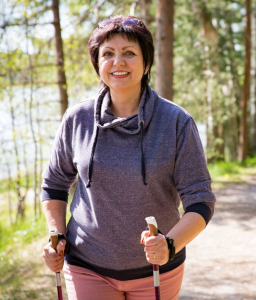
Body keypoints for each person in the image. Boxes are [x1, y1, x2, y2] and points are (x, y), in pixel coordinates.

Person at [41, 15, 216, 300]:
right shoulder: (78, 118)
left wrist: (170, 245)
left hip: (157, 269)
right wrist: (56, 235)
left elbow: (201, 200)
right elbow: (55, 184)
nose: (118, 62)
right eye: (108, 54)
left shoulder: (176, 122)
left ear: (146, 64)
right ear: (97, 64)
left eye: (129, 53)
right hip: (87, 264)